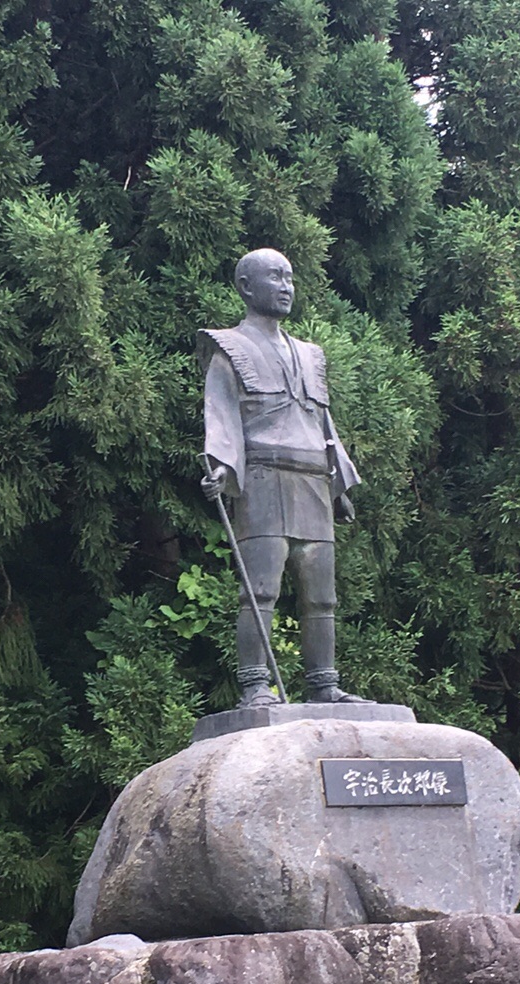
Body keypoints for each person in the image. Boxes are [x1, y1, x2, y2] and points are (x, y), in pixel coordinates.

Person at [199, 248, 369, 708]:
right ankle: (255, 685)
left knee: (322, 596)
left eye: (290, 278)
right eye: (274, 277)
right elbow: (221, 416)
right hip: (263, 477)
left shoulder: (310, 355)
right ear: (246, 287)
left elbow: (324, 424)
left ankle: (324, 683)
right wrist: (221, 465)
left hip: (312, 479)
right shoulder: (229, 350)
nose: (286, 286)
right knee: (260, 589)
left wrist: (340, 482)